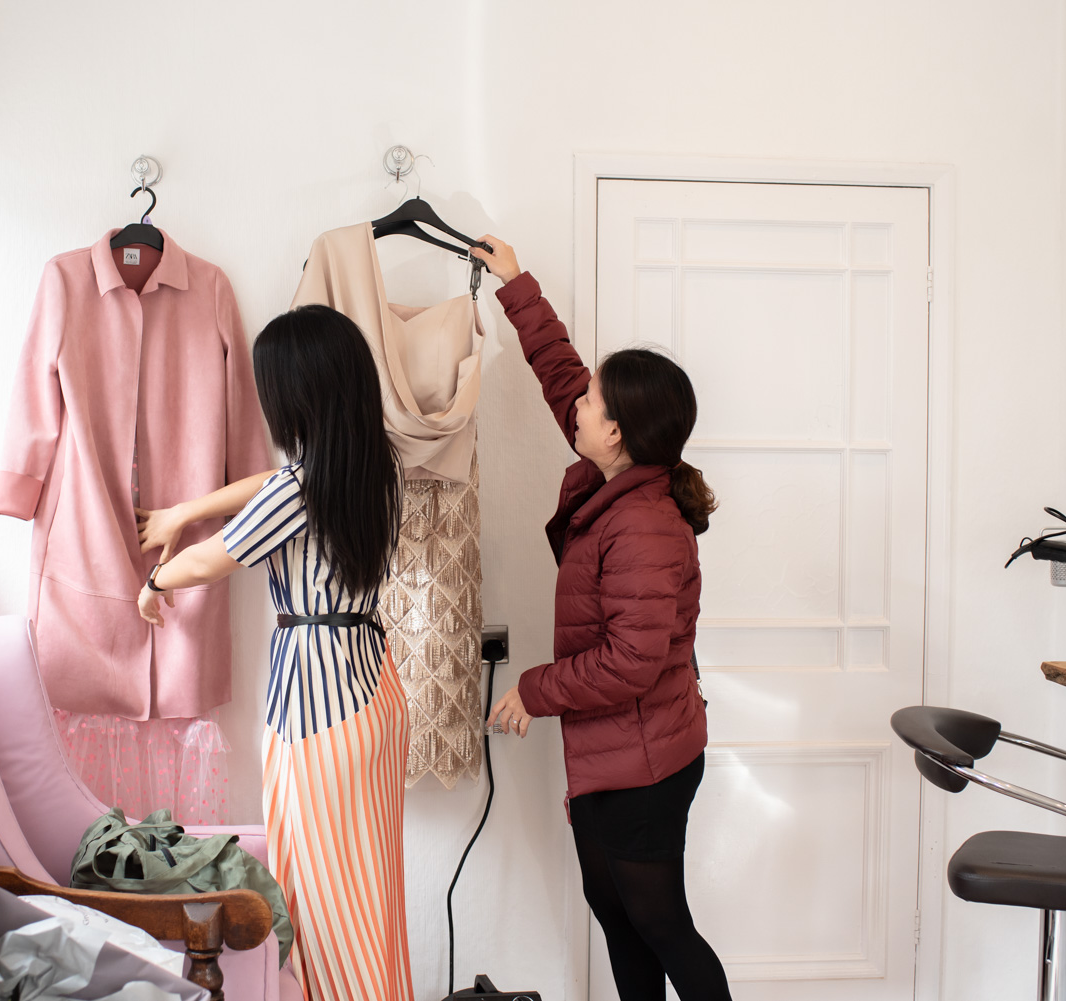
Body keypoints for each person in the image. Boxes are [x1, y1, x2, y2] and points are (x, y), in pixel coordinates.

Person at [473, 237, 731, 1001]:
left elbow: (631, 661)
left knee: (660, 924)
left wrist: (535, 688)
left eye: (593, 401)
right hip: (617, 753)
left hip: (645, 764)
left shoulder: (643, 525)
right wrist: (515, 283)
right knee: (619, 916)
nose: (578, 404)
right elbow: (562, 376)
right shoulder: (613, 475)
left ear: (616, 430)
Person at [135, 304, 412, 1001]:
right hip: (373, 693)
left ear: (296, 396)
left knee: (317, 902)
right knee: (370, 892)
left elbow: (216, 559)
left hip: (316, 708)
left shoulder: (299, 488)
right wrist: (185, 511)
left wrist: (155, 581)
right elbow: (269, 485)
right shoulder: (376, 467)